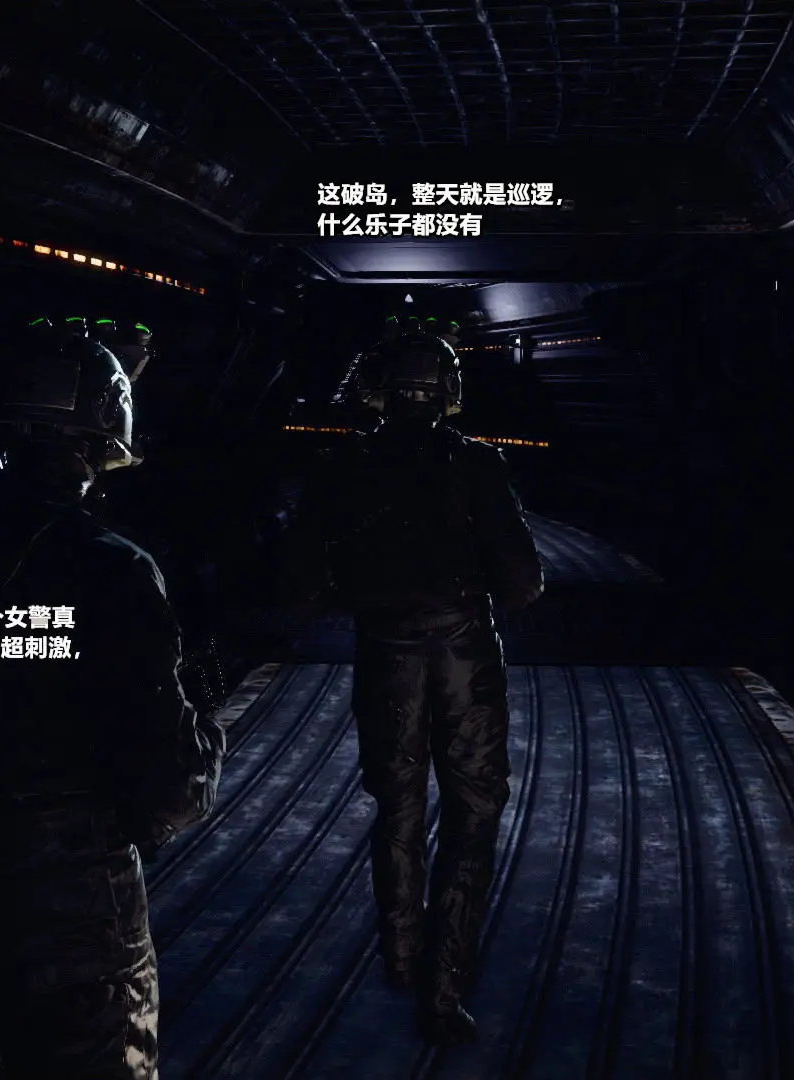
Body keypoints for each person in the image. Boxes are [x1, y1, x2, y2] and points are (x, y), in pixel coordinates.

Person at [0, 317, 225, 1079]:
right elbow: (170, 787)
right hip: (77, 907)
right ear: (98, 443)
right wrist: (206, 737)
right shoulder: (114, 569)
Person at [285, 328, 545, 1045]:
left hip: (386, 652)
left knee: (397, 806)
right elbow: (523, 583)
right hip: (465, 653)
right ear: (449, 391)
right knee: (474, 811)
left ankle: (400, 956)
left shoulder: (344, 465)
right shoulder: (479, 464)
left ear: (380, 387)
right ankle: (444, 987)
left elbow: (300, 581)